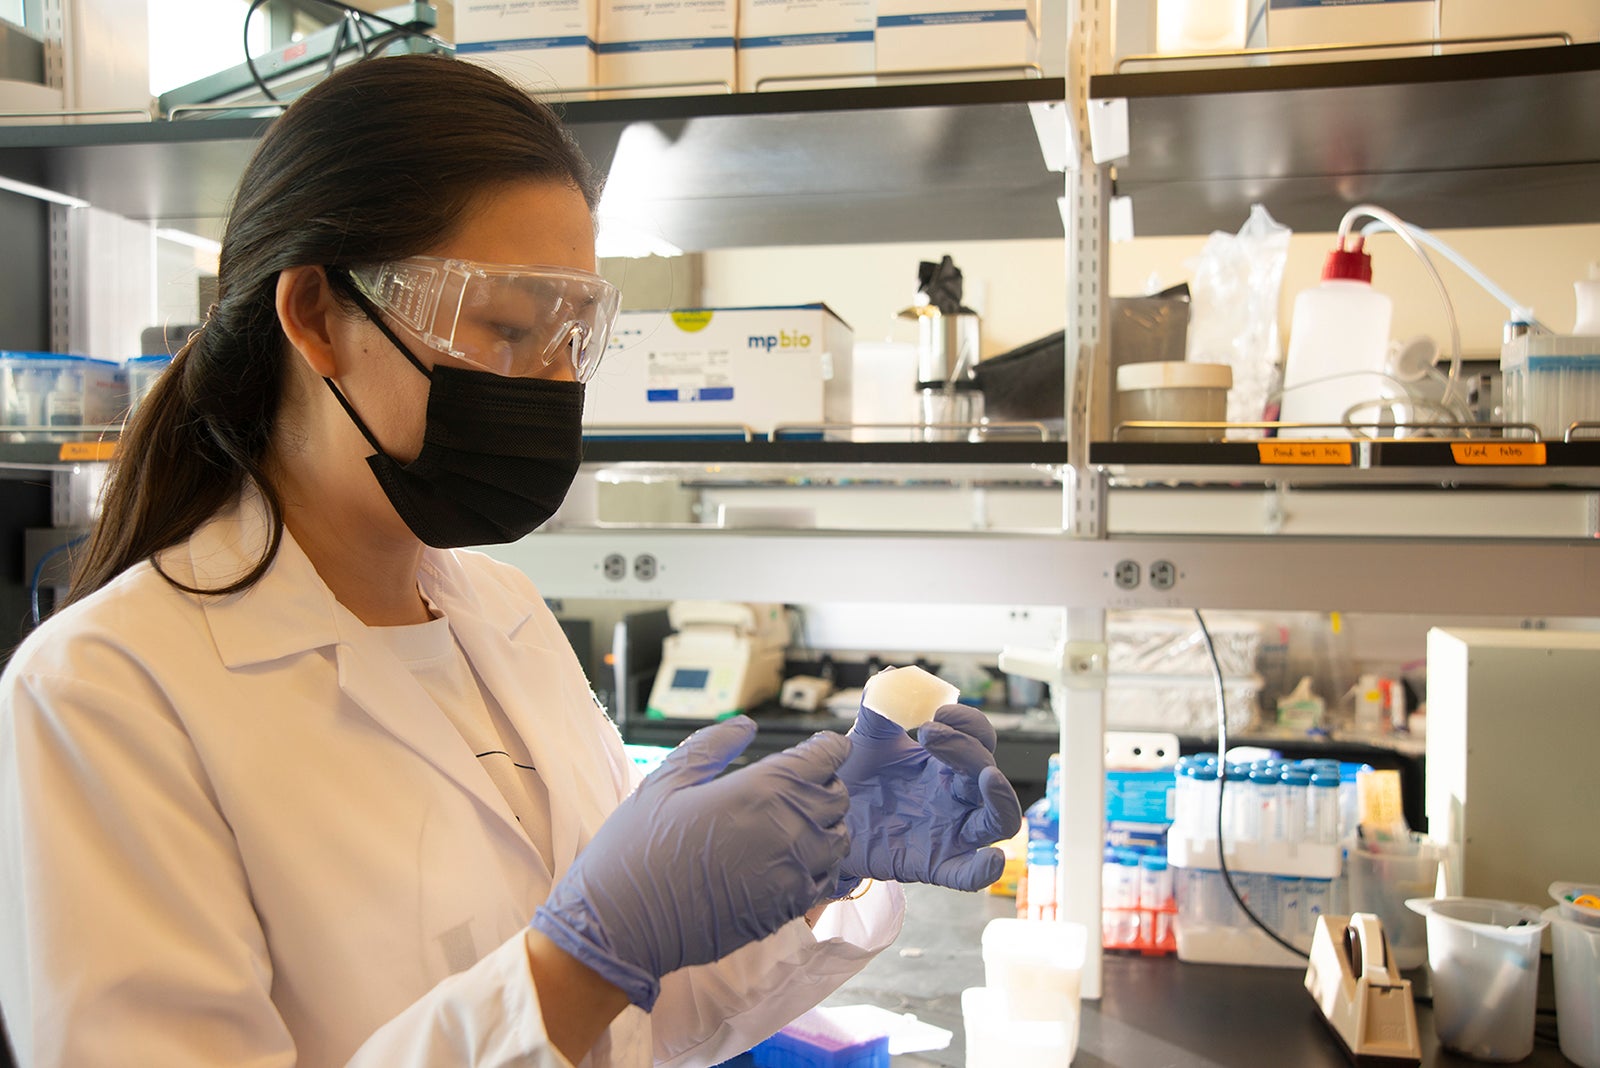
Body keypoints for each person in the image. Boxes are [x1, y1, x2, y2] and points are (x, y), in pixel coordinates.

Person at [0, 53, 1022, 1068]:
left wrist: (826, 866)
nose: (548, 381)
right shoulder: (104, 694)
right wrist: (584, 958)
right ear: (315, 315)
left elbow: (644, 1012)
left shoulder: (504, 612)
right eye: (503, 327)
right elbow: (589, 970)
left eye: (571, 335)